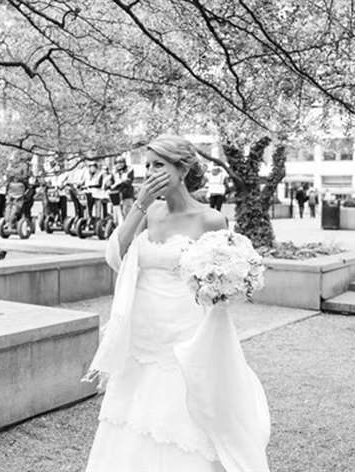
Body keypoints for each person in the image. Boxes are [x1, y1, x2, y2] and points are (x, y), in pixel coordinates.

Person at [84, 135, 270, 472]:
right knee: (135, 407)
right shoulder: (149, 211)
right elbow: (115, 254)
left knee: (179, 406)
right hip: (142, 327)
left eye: (159, 165)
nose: (151, 172)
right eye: (148, 166)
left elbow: (219, 276)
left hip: (185, 328)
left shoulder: (210, 219)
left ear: (181, 169)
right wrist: (138, 204)